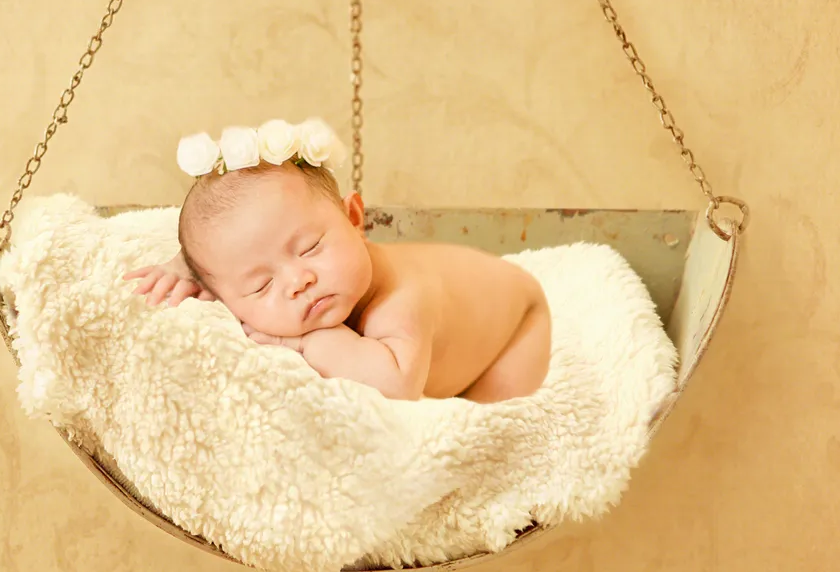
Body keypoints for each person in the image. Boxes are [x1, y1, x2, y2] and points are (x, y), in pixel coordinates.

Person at [126, 118, 551, 404]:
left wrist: (306, 343)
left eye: (310, 247)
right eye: (261, 285)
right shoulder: (249, 276)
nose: (298, 280)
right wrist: (187, 268)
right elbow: (230, 259)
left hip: (516, 324)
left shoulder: (402, 298)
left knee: (495, 422)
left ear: (353, 218)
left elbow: (397, 385)